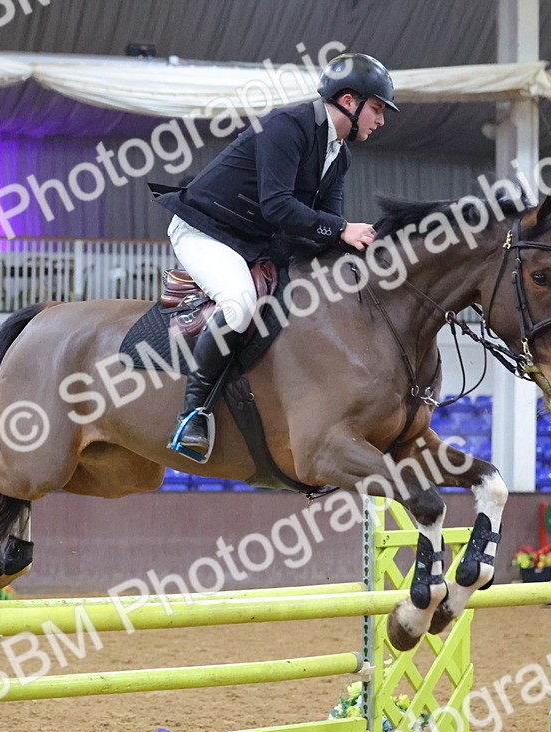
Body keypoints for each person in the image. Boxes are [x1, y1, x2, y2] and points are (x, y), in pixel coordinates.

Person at [155, 52, 397, 460]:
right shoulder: (287, 126)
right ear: (349, 102)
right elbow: (278, 206)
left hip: (255, 241)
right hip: (207, 230)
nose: (381, 120)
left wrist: (357, 244)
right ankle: (193, 413)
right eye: (376, 108)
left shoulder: (339, 154)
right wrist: (341, 230)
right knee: (239, 302)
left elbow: (325, 220)